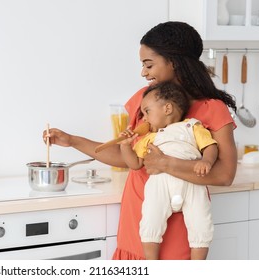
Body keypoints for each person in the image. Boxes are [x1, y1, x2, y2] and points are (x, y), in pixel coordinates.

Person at [43, 21, 237, 260]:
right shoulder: (144, 100)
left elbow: (225, 174)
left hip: (180, 228)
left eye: (149, 64)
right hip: (138, 218)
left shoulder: (212, 109)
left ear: (173, 62)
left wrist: (166, 164)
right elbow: (126, 156)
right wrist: (72, 140)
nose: (143, 72)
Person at [119, 82, 217, 260]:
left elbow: (210, 146)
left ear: (167, 108)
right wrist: (125, 146)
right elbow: (135, 164)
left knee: (202, 224)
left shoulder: (193, 127)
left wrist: (206, 161)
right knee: (150, 221)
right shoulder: (149, 138)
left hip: (192, 183)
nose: (145, 118)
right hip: (160, 184)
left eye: (147, 111)